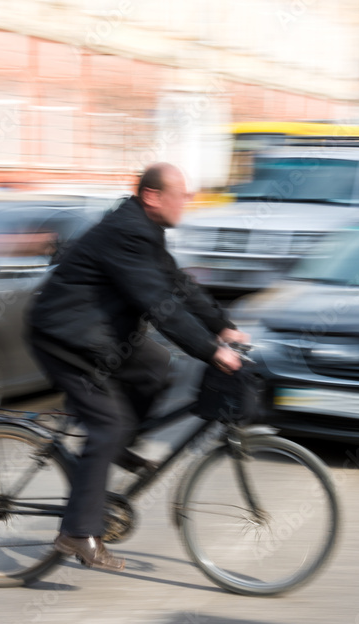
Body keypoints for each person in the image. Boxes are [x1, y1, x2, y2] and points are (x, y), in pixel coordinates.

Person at [26, 163, 247, 572]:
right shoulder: (128, 233)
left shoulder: (144, 229)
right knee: (107, 424)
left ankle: (117, 445)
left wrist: (223, 327)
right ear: (152, 197)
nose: (188, 200)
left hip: (101, 334)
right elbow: (158, 305)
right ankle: (78, 532)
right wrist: (211, 351)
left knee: (158, 365)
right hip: (65, 339)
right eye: (181, 193)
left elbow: (178, 286)